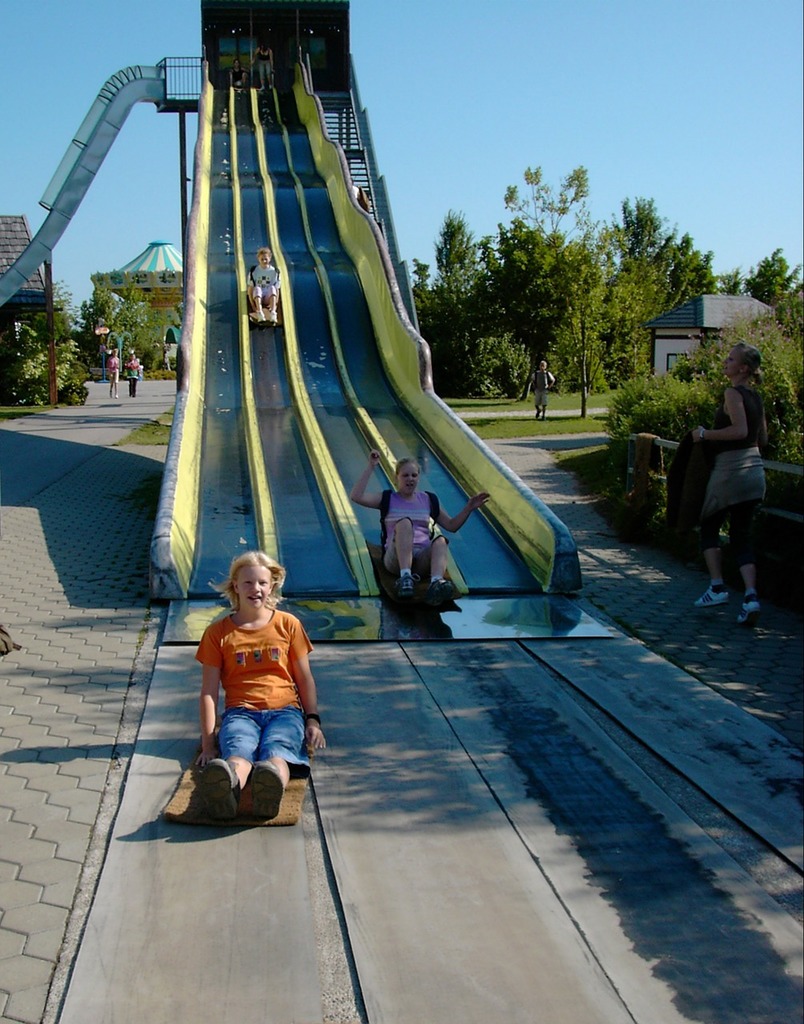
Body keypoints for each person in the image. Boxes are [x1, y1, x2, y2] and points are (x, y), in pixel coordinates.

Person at [195, 550, 326, 820]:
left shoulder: (288, 625)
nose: (256, 589)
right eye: (248, 583)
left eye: (262, 583)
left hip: (286, 711)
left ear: (272, 585)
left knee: (278, 748)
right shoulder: (218, 633)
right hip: (240, 712)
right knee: (239, 747)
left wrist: (312, 720)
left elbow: (304, 678)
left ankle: (271, 785)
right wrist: (208, 745)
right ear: (235, 586)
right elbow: (208, 693)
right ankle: (227, 788)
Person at [350, 450, 490, 605]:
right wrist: (371, 466)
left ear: (418, 477)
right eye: (405, 475)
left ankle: (436, 582)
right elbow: (356, 496)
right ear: (396, 478)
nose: (410, 479)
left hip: (421, 561)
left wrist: (469, 508)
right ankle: (405, 578)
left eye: (414, 475)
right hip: (395, 559)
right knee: (405, 523)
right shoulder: (388, 499)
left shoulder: (428, 499)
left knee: (441, 541)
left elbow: (452, 526)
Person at [692, 342, 767, 627]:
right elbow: (762, 439)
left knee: (709, 526)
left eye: (730, 359)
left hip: (730, 472)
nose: (725, 361)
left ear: (743, 368)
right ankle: (750, 597)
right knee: (741, 535)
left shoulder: (732, 393)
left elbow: (740, 430)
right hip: (754, 472)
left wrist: (704, 434)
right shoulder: (756, 398)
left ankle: (717, 587)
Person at [247, 247, 281, 324]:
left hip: (267, 298)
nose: (264, 261)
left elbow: (277, 289)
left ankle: (273, 313)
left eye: (266, 259)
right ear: (258, 259)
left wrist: (276, 304)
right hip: (258, 296)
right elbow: (250, 289)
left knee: (272, 288)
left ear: (270, 258)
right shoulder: (254, 271)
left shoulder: (275, 271)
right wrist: (253, 305)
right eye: (262, 259)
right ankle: (260, 312)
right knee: (257, 288)